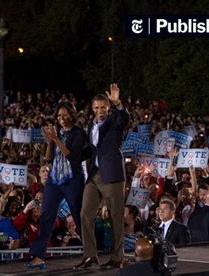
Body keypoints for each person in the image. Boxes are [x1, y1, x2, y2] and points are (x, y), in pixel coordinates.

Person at [27, 101, 87, 269]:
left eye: (65, 115)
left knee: (78, 215)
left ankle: (91, 253)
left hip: (72, 179)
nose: (62, 118)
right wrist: (49, 141)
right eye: (59, 116)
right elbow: (48, 158)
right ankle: (39, 256)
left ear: (72, 115)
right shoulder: (57, 132)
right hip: (55, 178)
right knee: (46, 215)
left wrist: (56, 139)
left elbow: (71, 155)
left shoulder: (78, 133)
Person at [75, 83, 129, 270]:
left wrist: (118, 104)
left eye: (103, 107)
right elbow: (92, 149)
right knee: (85, 213)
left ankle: (117, 257)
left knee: (115, 217)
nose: (100, 111)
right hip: (94, 175)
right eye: (97, 108)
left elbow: (124, 118)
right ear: (92, 109)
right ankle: (90, 255)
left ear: (108, 108)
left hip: (112, 175)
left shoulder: (115, 121)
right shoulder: (91, 125)